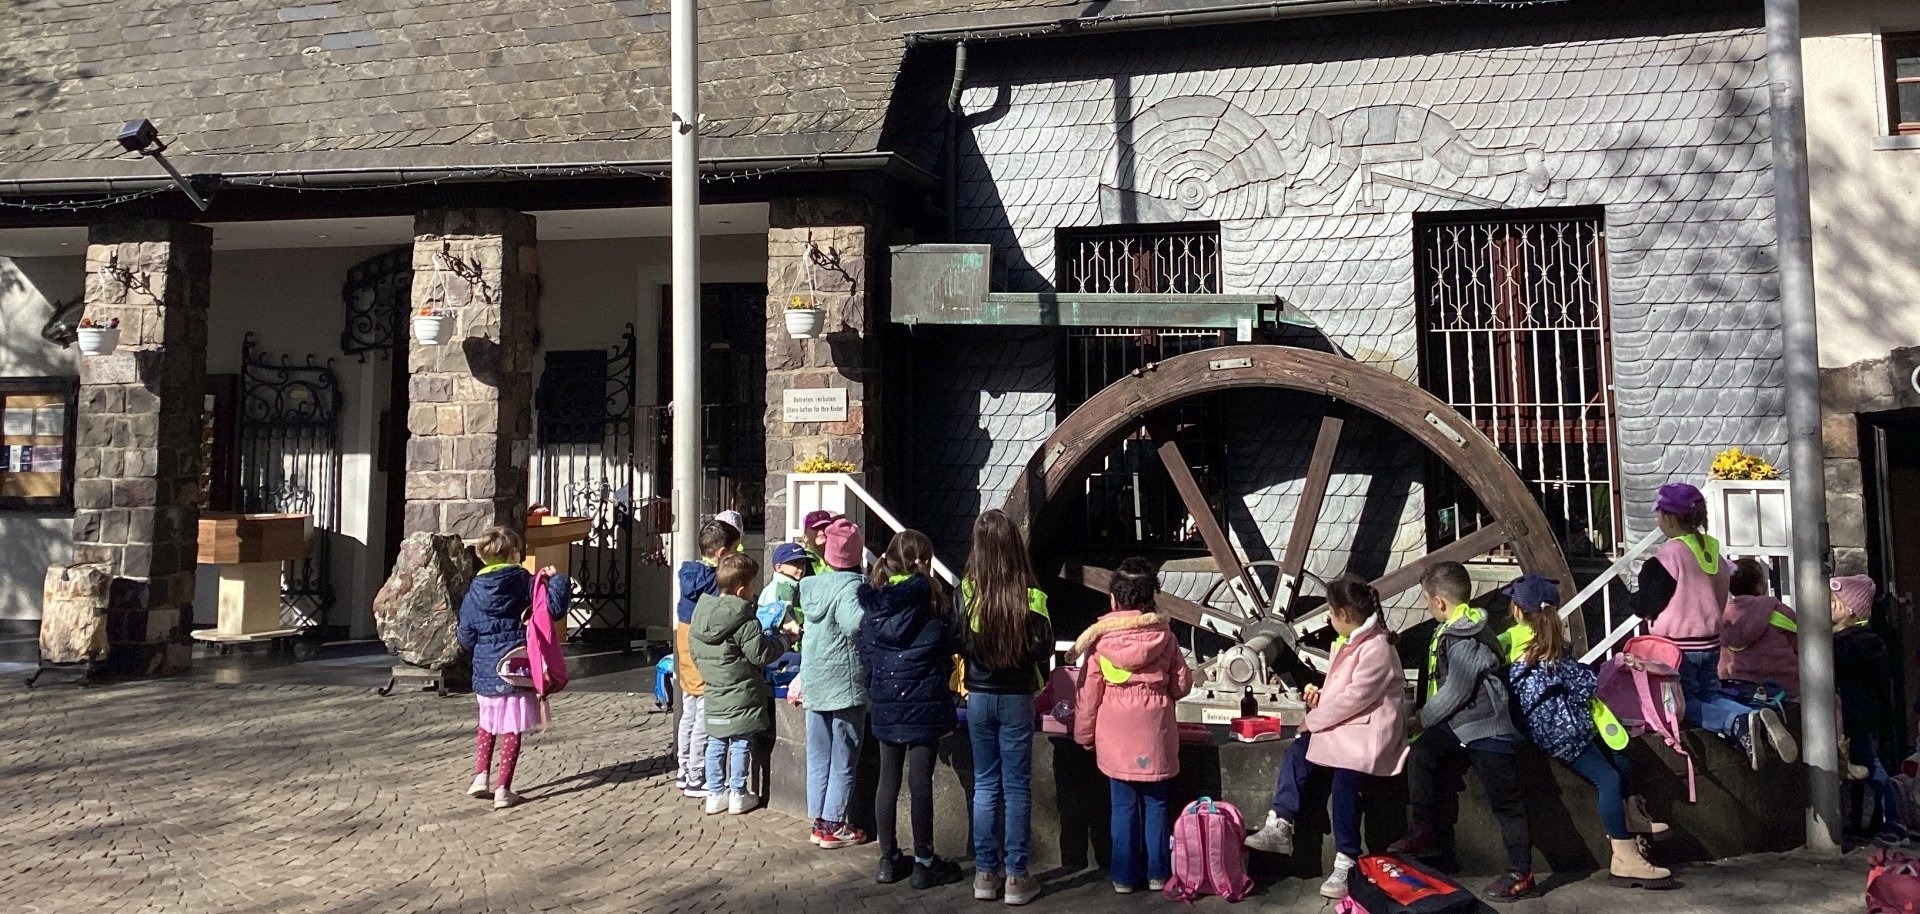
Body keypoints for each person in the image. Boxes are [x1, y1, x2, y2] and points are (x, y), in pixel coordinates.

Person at [1501, 574, 1673, 890]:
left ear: (1518, 611)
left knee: (1619, 756)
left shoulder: (1522, 644)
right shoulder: (1549, 648)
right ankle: (1623, 856)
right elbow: (1584, 686)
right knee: (1607, 778)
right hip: (1561, 731)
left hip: (1554, 728)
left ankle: (1631, 815)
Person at [1242, 576, 1407, 899]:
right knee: (1298, 751)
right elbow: (1344, 695)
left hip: (1370, 732)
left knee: (1345, 779)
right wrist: (1320, 702)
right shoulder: (1354, 641)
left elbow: (1355, 698)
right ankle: (1281, 821)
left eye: (1331, 613)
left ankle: (1346, 859)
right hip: (1351, 725)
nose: (1329, 620)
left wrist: (1313, 719)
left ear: (1344, 614)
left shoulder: (1376, 649)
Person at [1393, 561, 1535, 902]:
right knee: (1423, 754)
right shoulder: (1460, 626)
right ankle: (1424, 831)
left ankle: (1521, 871)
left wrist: (1420, 719)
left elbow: (1456, 689)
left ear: (1439, 602)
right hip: (1460, 724)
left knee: (1507, 802)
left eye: (1428, 602)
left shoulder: (1464, 635)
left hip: (1487, 726)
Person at [1635, 482, 1795, 769]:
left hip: (1677, 649)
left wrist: (1635, 602)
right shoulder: (1712, 550)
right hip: (1711, 645)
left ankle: (1736, 722)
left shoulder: (1670, 555)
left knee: (1686, 705)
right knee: (1710, 693)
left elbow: (1648, 603)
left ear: (1669, 518)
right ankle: (1752, 716)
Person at [1069, 557, 1194, 896]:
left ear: (1113, 599)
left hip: (1115, 737)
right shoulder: (1165, 637)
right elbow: (1182, 685)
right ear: (1149, 598)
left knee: (1122, 807)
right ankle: (1157, 873)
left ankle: (1124, 876)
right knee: (1157, 804)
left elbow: (1088, 692)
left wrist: (1083, 734)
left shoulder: (1100, 643)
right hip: (1155, 734)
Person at [858, 530, 965, 890]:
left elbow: (867, 657)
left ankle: (887, 859)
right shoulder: (931, 600)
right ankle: (923, 862)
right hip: (923, 698)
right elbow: (948, 643)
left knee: (887, 776)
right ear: (925, 561)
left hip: (887, 698)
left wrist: (878, 686)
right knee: (920, 780)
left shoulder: (873, 604)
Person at [959, 508, 1054, 907]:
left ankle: (984, 873)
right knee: (1016, 788)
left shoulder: (966, 592)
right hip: (1017, 697)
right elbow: (1044, 650)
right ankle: (1016, 877)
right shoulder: (1032, 597)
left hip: (978, 696)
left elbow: (958, 642)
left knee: (984, 784)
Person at [456, 525, 570, 811]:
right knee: (512, 729)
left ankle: (480, 776)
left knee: (487, 724)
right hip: (516, 665)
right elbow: (553, 608)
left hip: (485, 666)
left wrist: (481, 650)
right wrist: (557, 580)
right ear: (514, 553)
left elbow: (466, 635)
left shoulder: (474, 590)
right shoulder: (524, 581)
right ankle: (503, 789)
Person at [690, 551, 795, 817]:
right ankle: (738, 792)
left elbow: (695, 653)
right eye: (752, 585)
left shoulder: (700, 616)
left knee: (715, 742)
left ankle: (715, 793)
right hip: (742, 693)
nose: (754, 590)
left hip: (714, 690)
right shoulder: (744, 619)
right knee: (739, 743)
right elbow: (760, 654)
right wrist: (784, 641)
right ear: (741, 589)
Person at [797, 517, 870, 849]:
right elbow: (856, 624)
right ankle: (833, 825)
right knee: (844, 757)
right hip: (844, 686)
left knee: (819, 755)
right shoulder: (851, 588)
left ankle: (818, 820)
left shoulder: (812, 587)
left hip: (815, 683)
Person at [1833, 574, 1904, 845]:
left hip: (1860, 715)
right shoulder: (1862, 641)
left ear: (1851, 610)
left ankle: (1893, 821)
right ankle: (1863, 821)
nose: (1825, 606)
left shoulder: (1861, 642)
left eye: (1832, 602)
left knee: (1872, 767)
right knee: (1858, 769)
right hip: (1857, 713)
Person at [674, 521, 740, 799]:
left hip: (683, 638)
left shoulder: (689, 572)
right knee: (703, 709)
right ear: (723, 553)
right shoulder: (714, 580)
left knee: (689, 706)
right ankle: (696, 776)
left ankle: (682, 767)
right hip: (700, 643)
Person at [1720, 557, 1800, 699]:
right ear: (1760, 586)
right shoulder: (1779, 611)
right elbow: (1802, 647)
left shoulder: (1723, 617)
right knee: (1833, 702)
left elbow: (1722, 662)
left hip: (1742, 691)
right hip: (1786, 689)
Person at [761, 542, 812, 648]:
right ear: (778, 567)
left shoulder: (793, 587)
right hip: (777, 645)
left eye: (803, 563)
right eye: (795, 563)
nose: (800, 568)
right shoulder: (780, 588)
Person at [800, 510, 839, 575]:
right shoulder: (801, 559)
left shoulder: (840, 555)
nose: (821, 531)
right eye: (816, 528)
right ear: (805, 537)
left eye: (825, 526)